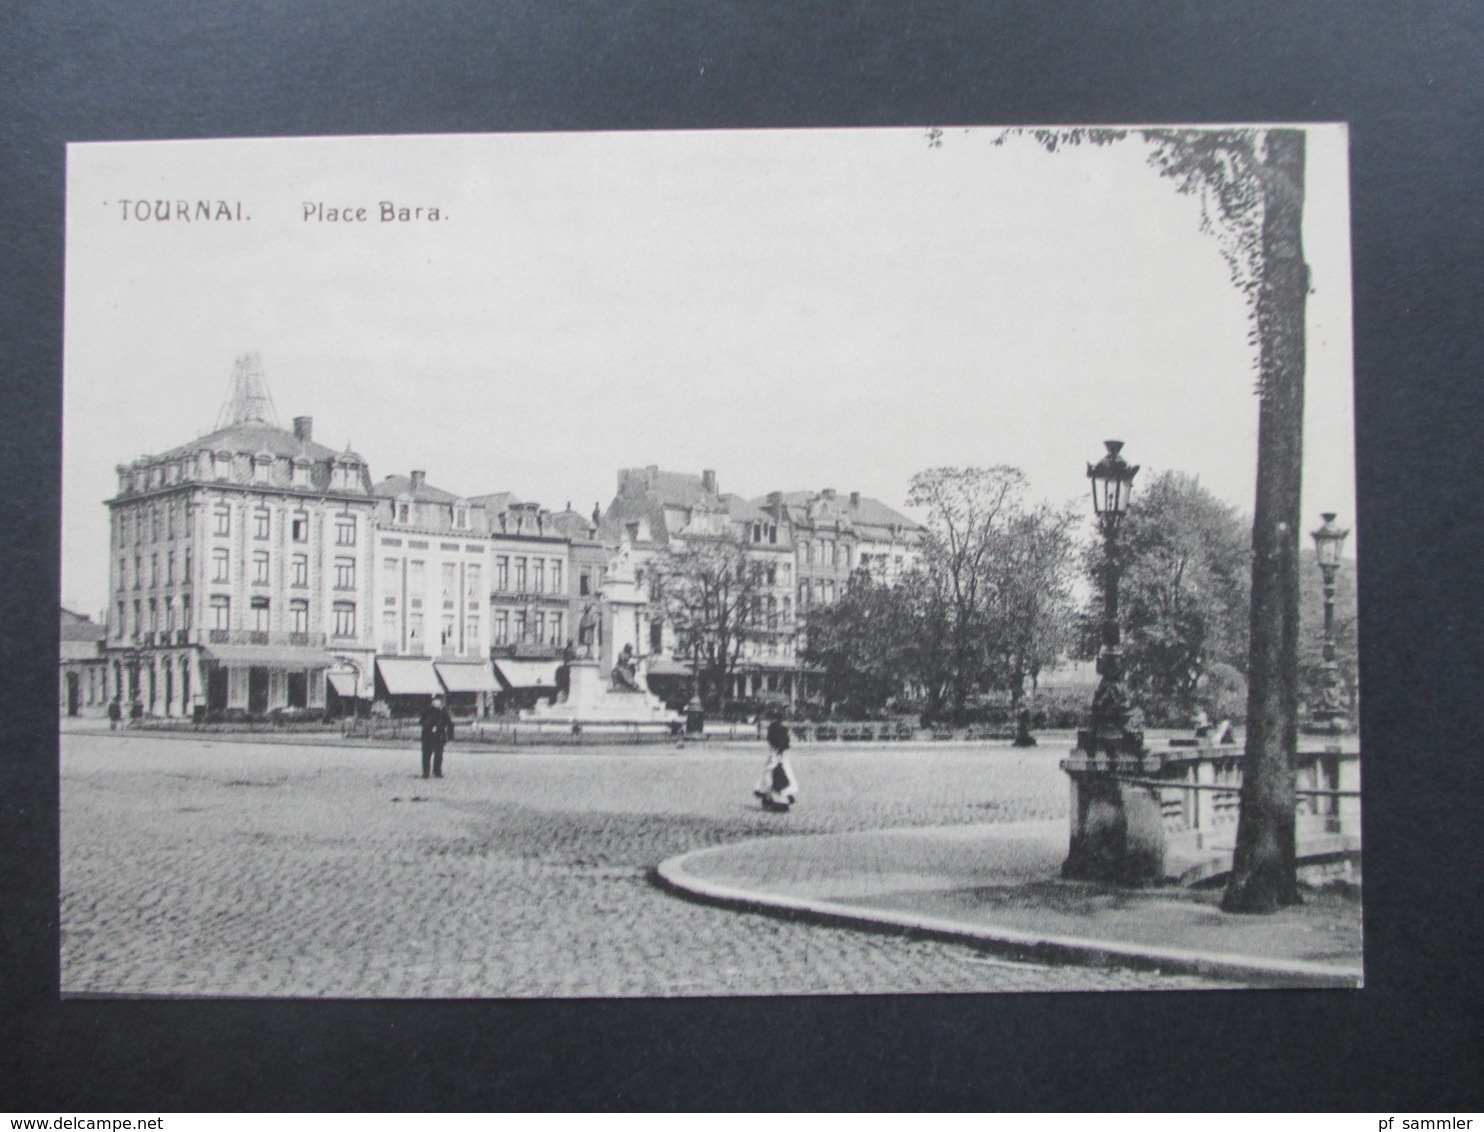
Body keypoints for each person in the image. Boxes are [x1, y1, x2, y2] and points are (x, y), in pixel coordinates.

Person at [754, 717, 799, 812]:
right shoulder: (781, 748)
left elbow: (774, 760)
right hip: (780, 766)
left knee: (773, 784)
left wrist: (773, 764)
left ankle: (776, 801)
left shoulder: (775, 749)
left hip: (776, 768)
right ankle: (776, 800)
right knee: (778, 784)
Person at [419, 694, 455, 779]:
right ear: (432, 704)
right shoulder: (427, 712)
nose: (437, 706)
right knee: (426, 755)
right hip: (428, 736)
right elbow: (422, 722)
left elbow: (449, 723)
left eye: (438, 704)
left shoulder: (443, 712)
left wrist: (448, 734)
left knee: (438, 755)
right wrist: (429, 726)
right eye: (435, 704)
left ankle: (437, 771)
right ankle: (426, 772)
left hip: (439, 736)